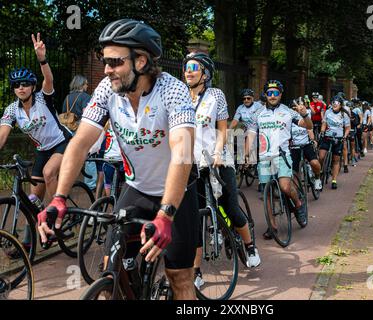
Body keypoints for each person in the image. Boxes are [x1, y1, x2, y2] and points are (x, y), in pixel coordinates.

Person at [37, 19, 199, 300]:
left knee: (180, 278)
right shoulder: (106, 90)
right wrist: (59, 198)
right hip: (136, 189)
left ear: (141, 61)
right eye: (105, 61)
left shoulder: (172, 91)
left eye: (114, 62)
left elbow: (182, 152)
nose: (107, 69)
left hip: (177, 195)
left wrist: (165, 214)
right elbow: (80, 143)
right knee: (110, 268)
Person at [182, 52, 261, 289]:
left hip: (218, 160)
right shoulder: (179, 96)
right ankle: (196, 271)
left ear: (205, 73)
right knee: (195, 218)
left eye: (193, 67)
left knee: (230, 207)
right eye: (186, 67)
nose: (188, 71)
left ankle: (249, 246)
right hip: (190, 164)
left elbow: (223, 129)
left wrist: (218, 153)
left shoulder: (216, 95)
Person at [0, 33, 72, 203]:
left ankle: (57, 213)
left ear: (33, 86)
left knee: (49, 173)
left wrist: (42, 59)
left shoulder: (42, 98)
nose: (21, 88)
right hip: (42, 150)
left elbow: (49, 79)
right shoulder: (12, 110)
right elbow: (2, 136)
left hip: (62, 142)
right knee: (34, 199)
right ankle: (35, 225)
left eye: (25, 84)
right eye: (16, 85)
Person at [247, 80, 313, 236]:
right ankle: (272, 226)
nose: (272, 96)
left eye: (276, 93)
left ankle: (298, 204)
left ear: (281, 94)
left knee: (285, 187)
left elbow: (308, 126)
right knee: (267, 193)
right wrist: (247, 155)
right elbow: (250, 135)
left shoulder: (288, 112)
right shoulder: (257, 114)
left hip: (282, 156)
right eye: (269, 93)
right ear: (265, 95)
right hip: (264, 158)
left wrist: (304, 114)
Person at [318, 95, 350, 190]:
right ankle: (319, 172)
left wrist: (344, 136)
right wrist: (322, 132)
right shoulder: (328, 112)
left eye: (337, 103)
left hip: (338, 139)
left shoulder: (344, 114)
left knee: (335, 160)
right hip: (327, 137)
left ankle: (334, 180)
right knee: (321, 156)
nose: (334, 105)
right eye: (333, 103)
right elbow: (324, 123)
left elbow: (348, 128)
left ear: (340, 105)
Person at [290, 97, 322, 191]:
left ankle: (317, 178)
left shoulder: (305, 117)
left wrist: (313, 140)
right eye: (293, 108)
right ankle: (298, 191)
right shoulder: (289, 120)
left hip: (306, 144)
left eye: (296, 108)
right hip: (294, 147)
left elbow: (309, 129)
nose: (295, 110)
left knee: (315, 163)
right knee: (295, 171)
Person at [229, 88, 263, 165]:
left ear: (252, 98)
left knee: (251, 136)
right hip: (247, 130)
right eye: (244, 99)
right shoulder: (240, 108)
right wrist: (228, 130)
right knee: (239, 135)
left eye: (248, 98)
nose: (246, 100)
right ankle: (241, 162)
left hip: (258, 130)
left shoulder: (258, 106)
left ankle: (252, 162)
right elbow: (235, 120)